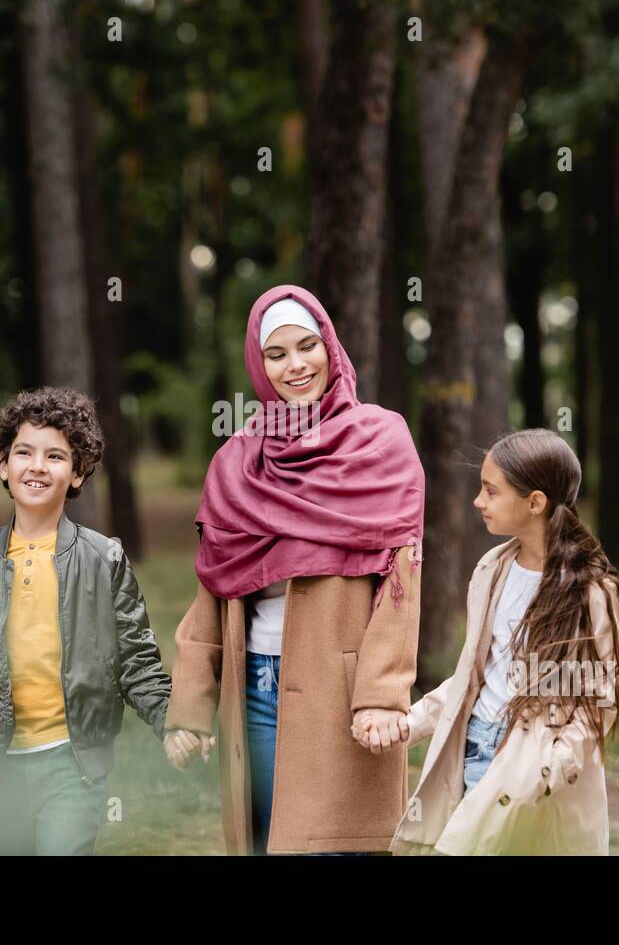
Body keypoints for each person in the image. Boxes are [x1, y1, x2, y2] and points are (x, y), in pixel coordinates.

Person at [163, 284, 426, 855]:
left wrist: (381, 692)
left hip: (344, 688)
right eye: (275, 354)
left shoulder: (381, 441)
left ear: (331, 348)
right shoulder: (238, 460)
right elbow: (216, 584)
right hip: (256, 686)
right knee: (266, 841)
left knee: (336, 844)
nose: (295, 365)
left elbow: (402, 579)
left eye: (307, 346)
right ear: (258, 367)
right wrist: (190, 706)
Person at [0, 385, 170, 854]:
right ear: (2, 464)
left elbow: (137, 660)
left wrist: (173, 721)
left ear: (77, 474)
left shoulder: (104, 558)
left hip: (72, 766)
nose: (37, 466)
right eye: (23, 452)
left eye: (55, 456)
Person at [383, 428, 619, 855]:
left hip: (527, 768)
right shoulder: (492, 569)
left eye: (490, 491)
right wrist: (410, 723)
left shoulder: (593, 590)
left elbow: (596, 706)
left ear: (535, 502)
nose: (478, 501)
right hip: (470, 747)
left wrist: (544, 772)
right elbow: (474, 676)